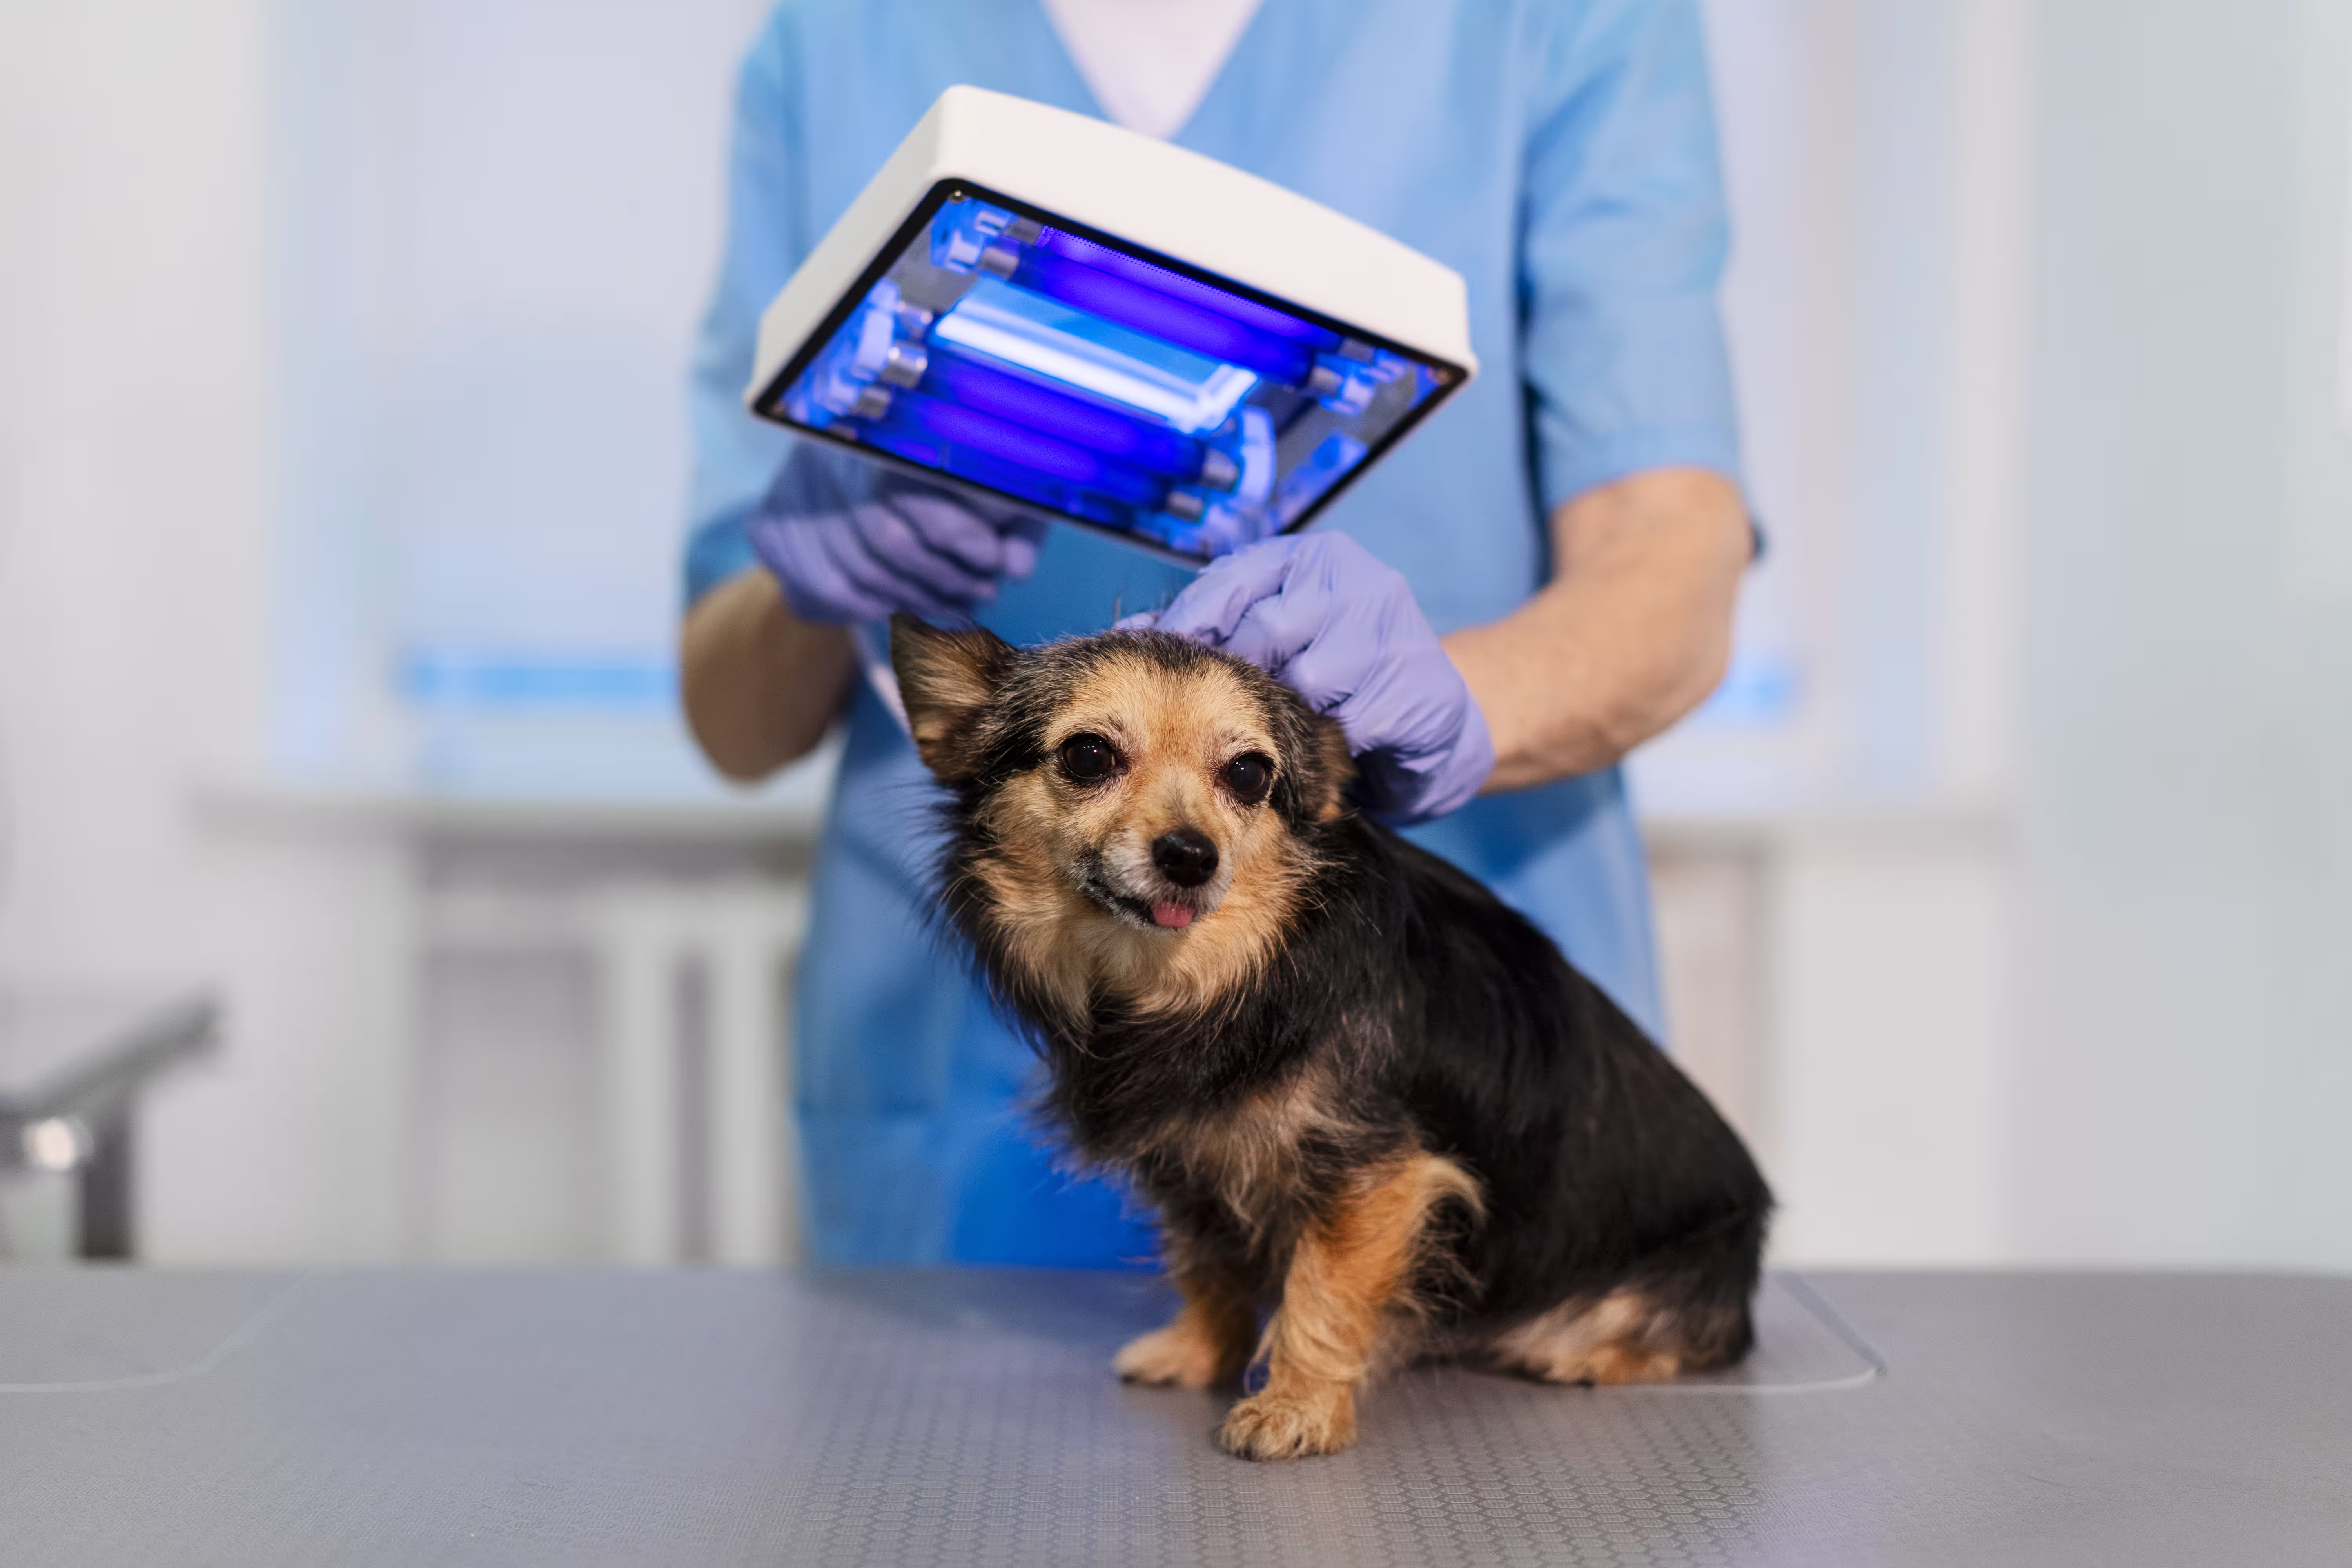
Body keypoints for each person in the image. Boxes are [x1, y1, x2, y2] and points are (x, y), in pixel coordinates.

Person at [679, 0, 1752, 1267]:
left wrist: (1455, 699)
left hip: (1415, 1019)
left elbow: (1671, 564)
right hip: (964, 1092)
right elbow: (731, 719)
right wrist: (806, 575)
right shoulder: (842, 38)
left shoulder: (1556, 25)